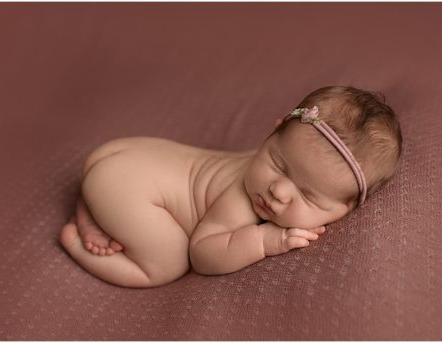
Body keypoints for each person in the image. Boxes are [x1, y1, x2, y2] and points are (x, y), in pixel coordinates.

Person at [58, 86, 402, 288]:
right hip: (125, 182)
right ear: (274, 131)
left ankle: (93, 201)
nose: (278, 191)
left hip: (124, 155)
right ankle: (78, 239)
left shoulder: (269, 175)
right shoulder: (241, 200)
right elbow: (203, 253)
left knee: (112, 186)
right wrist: (265, 241)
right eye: (278, 164)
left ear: (349, 208)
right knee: (168, 262)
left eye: (307, 195)